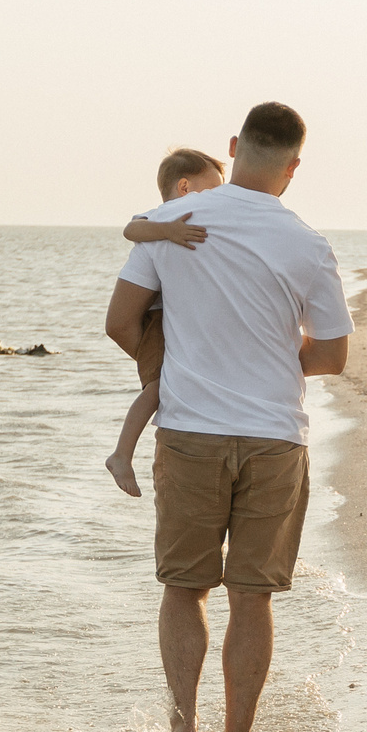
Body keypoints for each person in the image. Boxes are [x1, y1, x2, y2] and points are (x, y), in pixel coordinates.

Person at [105, 102, 353, 732]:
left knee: (185, 588)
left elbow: (120, 321)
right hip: (274, 439)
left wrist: (165, 366)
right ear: (294, 167)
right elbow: (332, 354)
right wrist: (276, 356)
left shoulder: (175, 223)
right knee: (253, 597)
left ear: (235, 145)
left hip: (189, 432)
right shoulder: (307, 241)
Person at [103, 148, 224, 496]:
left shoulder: (184, 218)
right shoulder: (161, 217)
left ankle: (122, 453)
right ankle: (121, 454)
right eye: (212, 189)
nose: (219, 197)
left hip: (170, 316)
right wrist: (168, 231)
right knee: (158, 386)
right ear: (184, 187)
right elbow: (130, 230)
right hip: (155, 319)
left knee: (163, 384)